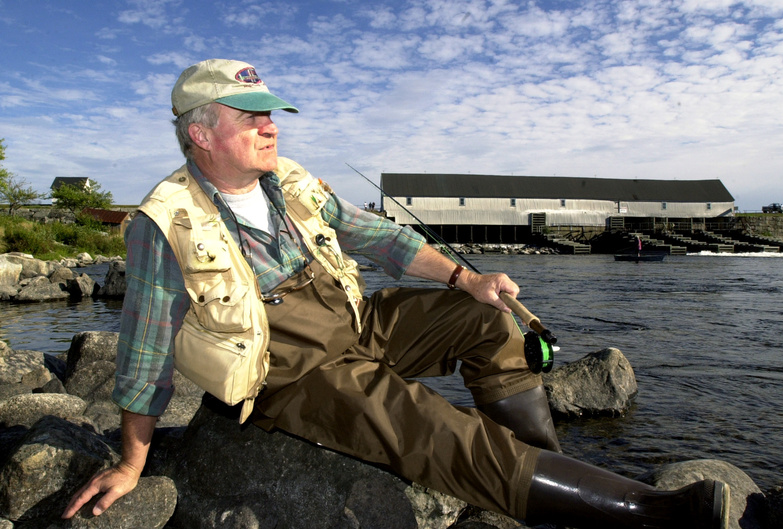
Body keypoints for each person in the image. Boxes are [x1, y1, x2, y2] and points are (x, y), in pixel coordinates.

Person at [63, 59, 730, 528]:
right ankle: (649, 512)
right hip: (290, 371)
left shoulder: (289, 180)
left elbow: (378, 237)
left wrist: (468, 278)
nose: (272, 127)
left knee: (487, 318)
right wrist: (132, 460)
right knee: (431, 426)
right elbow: (146, 354)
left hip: (352, 318)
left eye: (272, 116)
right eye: (253, 117)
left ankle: (547, 475)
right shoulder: (163, 222)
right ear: (200, 134)